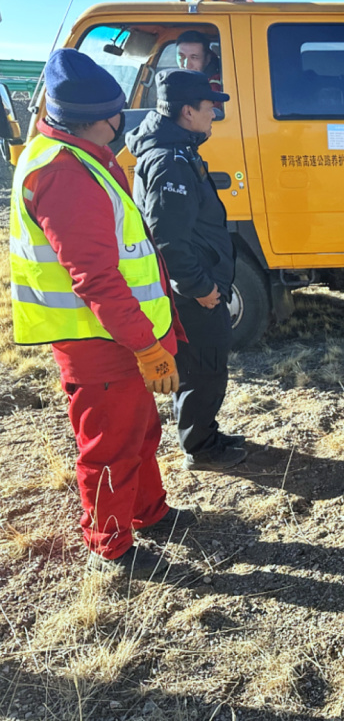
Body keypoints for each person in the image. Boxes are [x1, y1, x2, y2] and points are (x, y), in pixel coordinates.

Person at [8, 48, 193, 577]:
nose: (124, 120)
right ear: (102, 118)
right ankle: (111, 544)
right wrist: (146, 346)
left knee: (138, 431)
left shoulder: (74, 154)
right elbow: (98, 279)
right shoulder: (64, 173)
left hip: (117, 335)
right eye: (118, 112)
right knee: (110, 443)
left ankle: (148, 511)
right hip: (102, 341)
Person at [126, 69, 246, 471]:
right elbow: (170, 240)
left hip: (201, 283)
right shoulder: (169, 162)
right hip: (196, 291)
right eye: (210, 106)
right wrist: (201, 288)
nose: (215, 113)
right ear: (187, 111)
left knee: (205, 364)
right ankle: (201, 447)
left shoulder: (179, 150)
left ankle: (203, 431)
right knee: (204, 366)